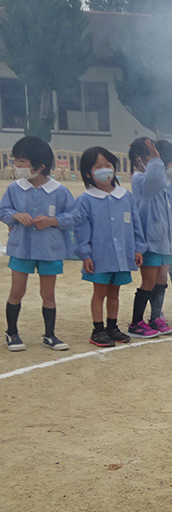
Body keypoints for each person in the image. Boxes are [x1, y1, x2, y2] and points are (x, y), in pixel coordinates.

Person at [1, 136, 77, 351]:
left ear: (40, 165)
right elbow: (3, 210)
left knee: (48, 294)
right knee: (17, 291)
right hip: (22, 247)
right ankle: (12, 333)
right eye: (15, 161)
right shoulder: (15, 188)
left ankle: (50, 335)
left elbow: (74, 216)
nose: (17, 166)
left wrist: (53, 221)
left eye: (21, 161)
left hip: (49, 249)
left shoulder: (59, 191)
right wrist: (15, 216)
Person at [73, 147, 146, 348]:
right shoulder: (85, 200)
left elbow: (136, 224)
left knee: (115, 293)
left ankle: (112, 327)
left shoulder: (126, 197)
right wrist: (85, 254)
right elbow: (81, 230)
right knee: (100, 293)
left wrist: (139, 247)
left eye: (108, 165)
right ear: (89, 173)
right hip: (99, 256)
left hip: (122, 255)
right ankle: (97, 330)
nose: (105, 170)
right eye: (98, 167)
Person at [127, 137, 172, 338]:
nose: (158, 163)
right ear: (140, 160)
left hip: (164, 240)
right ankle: (136, 322)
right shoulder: (139, 179)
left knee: (162, 278)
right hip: (150, 240)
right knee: (149, 281)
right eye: (153, 159)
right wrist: (155, 160)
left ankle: (155, 318)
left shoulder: (158, 180)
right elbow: (155, 181)